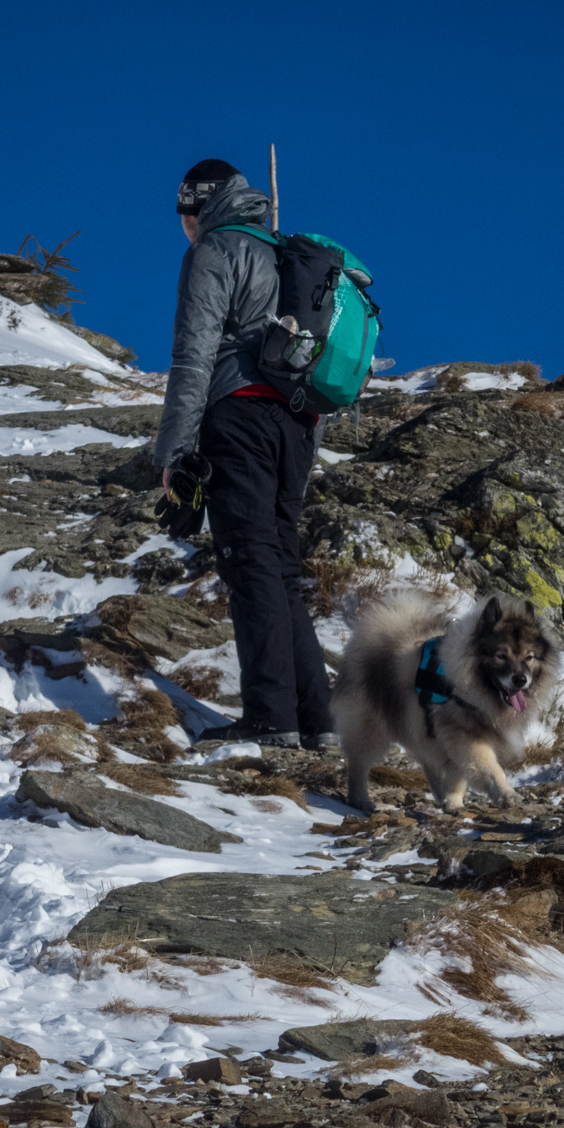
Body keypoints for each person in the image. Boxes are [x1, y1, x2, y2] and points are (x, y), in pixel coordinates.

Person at [155, 159, 336, 751]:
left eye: (184, 213)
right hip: (297, 426)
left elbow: (194, 354)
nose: (182, 226)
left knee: (249, 560)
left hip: (239, 416)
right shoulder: (282, 251)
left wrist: (176, 449)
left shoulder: (216, 250)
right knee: (280, 566)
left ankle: (269, 717)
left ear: (200, 206)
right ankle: (318, 721)